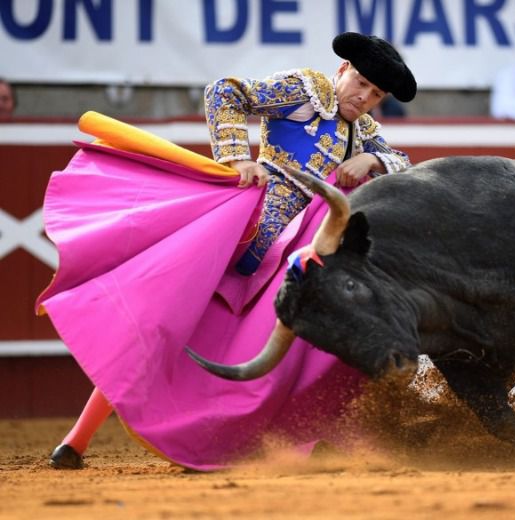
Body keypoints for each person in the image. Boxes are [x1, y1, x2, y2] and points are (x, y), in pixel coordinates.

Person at [48, 32, 416, 470]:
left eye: (376, 94)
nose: (364, 97)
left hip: (285, 255)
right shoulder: (304, 91)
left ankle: (254, 441)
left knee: (284, 339)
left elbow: (402, 162)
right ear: (342, 70)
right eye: (360, 83)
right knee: (158, 322)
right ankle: (76, 439)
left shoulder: (363, 131)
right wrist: (237, 157)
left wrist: (373, 161)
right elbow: (225, 92)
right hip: (240, 227)